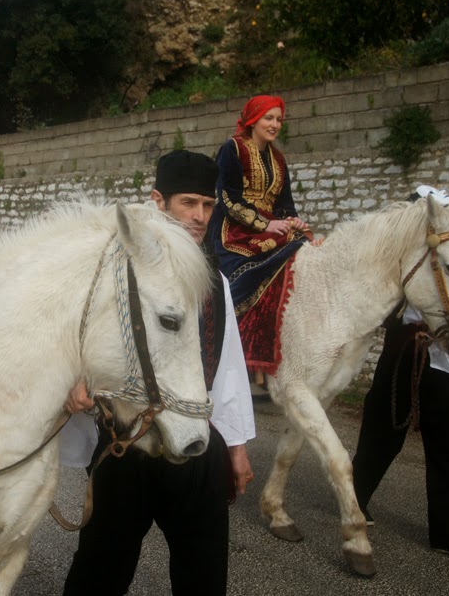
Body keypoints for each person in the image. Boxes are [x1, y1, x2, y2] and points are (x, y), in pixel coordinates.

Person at [62, 150, 256, 595]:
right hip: (127, 443)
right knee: (99, 571)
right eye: (188, 202)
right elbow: (79, 333)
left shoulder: (215, 279)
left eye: (207, 206)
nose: (200, 215)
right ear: (158, 200)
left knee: (204, 574)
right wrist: (75, 380)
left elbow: (226, 366)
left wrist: (238, 446)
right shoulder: (116, 267)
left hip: (194, 443)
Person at [351, 186, 449, 563]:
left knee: (445, 448)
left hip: (438, 361)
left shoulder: (447, 254)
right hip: (401, 353)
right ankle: (355, 500)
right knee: (381, 436)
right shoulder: (393, 261)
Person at [209, 95, 314, 386]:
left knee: (305, 244)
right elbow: (228, 198)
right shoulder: (232, 149)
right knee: (249, 272)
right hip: (235, 229)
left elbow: (285, 204)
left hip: (272, 227)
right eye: (269, 118)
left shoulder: (278, 158)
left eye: (279, 119)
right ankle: (231, 342)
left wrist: (293, 221)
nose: (275, 124)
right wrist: (266, 223)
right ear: (253, 120)